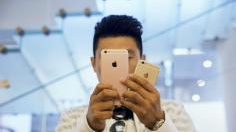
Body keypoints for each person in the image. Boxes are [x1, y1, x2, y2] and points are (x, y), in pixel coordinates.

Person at [56, 15, 196, 132]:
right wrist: (88, 127)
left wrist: (158, 123)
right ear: (94, 64)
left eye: (127, 57)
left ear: (142, 60)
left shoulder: (172, 111)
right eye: (108, 57)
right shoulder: (72, 118)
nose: (118, 65)